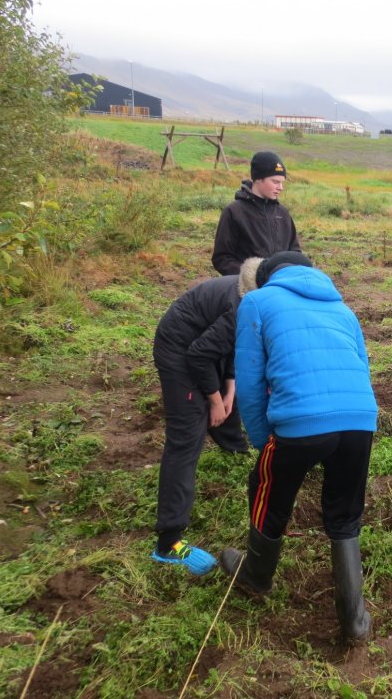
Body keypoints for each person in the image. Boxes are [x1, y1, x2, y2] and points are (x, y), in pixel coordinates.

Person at [222, 252, 379, 645]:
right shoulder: (343, 308)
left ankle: (256, 577)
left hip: (299, 423)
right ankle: (355, 620)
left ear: (267, 277)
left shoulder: (257, 302)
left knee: (267, 491)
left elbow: (251, 382)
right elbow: (362, 366)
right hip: (360, 418)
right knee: (344, 513)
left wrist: (263, 445)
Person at [150, 257, 263, 576]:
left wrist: (228, 391)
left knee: (229, 401)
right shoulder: (242, 308)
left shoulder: (248, 299)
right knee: (187, 435)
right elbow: (199, 355)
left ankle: (234, 450)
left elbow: (230, 348)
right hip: (179, 349)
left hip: (204, 345)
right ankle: (168, 543)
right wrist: (214, 400)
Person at [211, 151, 301, 276]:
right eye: (275, 182)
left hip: (281, 286)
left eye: (282, 182)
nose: (281, 187)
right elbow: (222, 259)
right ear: (258, 179)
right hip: (247, 289)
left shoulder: (283, 213)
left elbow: (295, 252)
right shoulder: (234, 212)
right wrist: (254, 277)